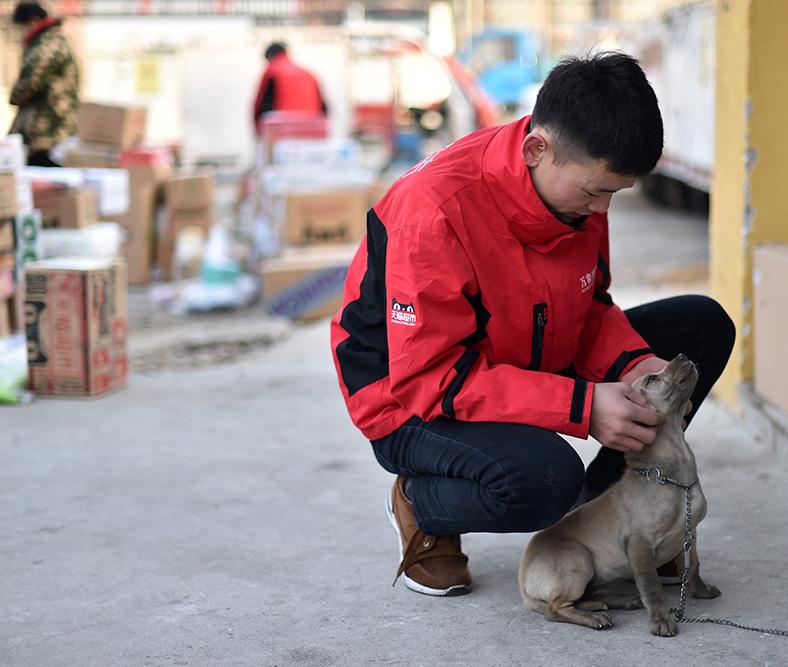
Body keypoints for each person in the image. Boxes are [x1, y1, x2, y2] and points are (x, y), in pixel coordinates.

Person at [329, 52, 735, 597]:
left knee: (701, 327)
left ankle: (602, 524)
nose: (603, 210)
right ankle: (424, 508)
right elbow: (432, 376)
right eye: (596, 191)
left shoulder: (580, 199)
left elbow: (590, 309)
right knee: (544, 480)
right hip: (409, 397)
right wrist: (582, 407)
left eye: (616, 193)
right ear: (536, 148)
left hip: (521, 351)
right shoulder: (434, 213)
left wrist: (637, 364)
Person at [8, 2, 79, 167]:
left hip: (46, 129)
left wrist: (13, 97)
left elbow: (29, 81)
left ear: (33, 21)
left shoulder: (45, 44)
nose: (20, 33)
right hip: (55, 126)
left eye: (21, 27)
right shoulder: (57, 39)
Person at [252, 42, 327, 135]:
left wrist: (257, 131)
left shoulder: (272, 71)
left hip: (283, 129)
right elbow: (324, 107)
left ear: (270, 57)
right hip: (311, 127)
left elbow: (261, 105)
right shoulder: (308, 73)